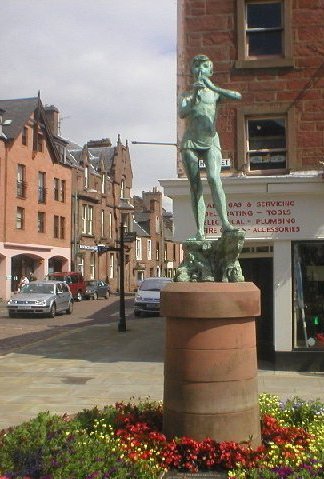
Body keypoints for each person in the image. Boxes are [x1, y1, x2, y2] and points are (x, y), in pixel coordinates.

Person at [178, 54, 242, 240]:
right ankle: (200, 231)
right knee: (195, 185)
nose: (200, 70)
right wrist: (195, 94)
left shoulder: (214, 94)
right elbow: (183, 113)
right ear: (192, 71)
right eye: (196, 66)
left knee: (214, 178)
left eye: (204, 66)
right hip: (190, 142)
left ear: (210, 71)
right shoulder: (186, 95)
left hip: (211, 141)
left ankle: (225, 223)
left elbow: (237, 96)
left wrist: (212, 87)